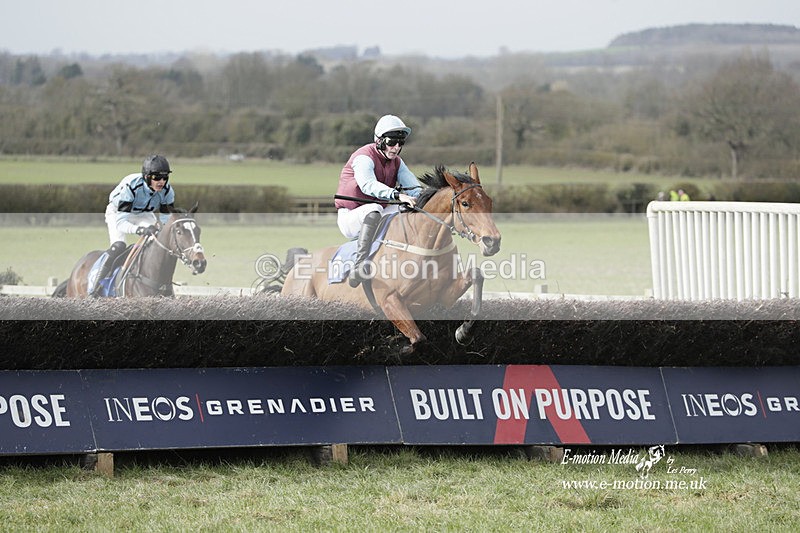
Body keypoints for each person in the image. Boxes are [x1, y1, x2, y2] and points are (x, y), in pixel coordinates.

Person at [334, 114, 422, 287]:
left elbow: (414, 187)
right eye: (391, 142)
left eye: (400, 143)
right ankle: (359, 266)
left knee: (407, 212)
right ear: (379, 140)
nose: (396, 148)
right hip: (351, 216)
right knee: (374, 208)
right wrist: (397, 195)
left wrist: (430, 198)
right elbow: (368, 185)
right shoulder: (363, 157)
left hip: (378, 211)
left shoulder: (397, 162)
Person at [91, 154, 176, 296]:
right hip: (118, 213)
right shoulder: (132, 186)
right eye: (156, 177)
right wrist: (140, 229)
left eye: (165, 177)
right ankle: (95, 286)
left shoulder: (167, 191)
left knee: (156, 244)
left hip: (143, 213)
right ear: (147, 177)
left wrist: (162, 230)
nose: (161, 182)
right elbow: (121, 223)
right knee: (119, 246)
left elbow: (166, 219)